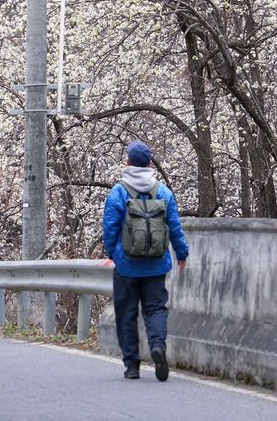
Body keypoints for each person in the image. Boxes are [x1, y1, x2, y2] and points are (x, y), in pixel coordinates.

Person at [103, 140, 189, 381]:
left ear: (128, 163)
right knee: (155, 309)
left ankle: (132, 366)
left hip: (127, 265)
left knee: (126, 313)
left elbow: (110, 227)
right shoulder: (163, 192)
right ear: (150, 164)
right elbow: (174, 227)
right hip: (156, 264)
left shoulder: (119, 192)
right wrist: (181, 252)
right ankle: (157, 346)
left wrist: (113, 253)